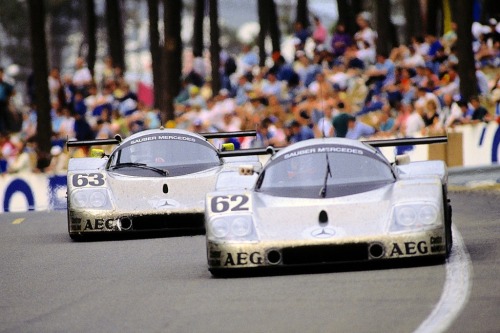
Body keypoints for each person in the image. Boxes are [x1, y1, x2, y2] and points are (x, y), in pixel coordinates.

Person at [0, 67, 14, 133]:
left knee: (5, 119)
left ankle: (5, 132)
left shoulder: (5, 84)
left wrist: (8, 99)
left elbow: (13, 92)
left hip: (3, 104)